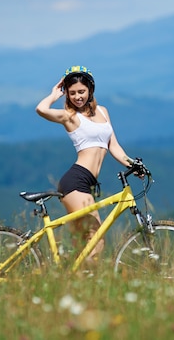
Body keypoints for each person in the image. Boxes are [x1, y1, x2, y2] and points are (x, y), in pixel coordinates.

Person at [35, 65, 134, 259]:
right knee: (95, 238)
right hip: (75, 182)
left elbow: (114, 146)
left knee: (84, 242)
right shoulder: (69, 116)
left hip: (86, 184)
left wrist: (132, 164)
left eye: (81, 91)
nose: (77, 97)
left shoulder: (103, 112)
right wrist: (54, 94)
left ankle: (72, 279)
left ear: (90, 90)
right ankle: (83, 280)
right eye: (72, 93)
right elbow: (41, 109)